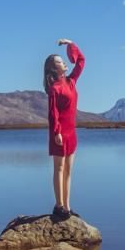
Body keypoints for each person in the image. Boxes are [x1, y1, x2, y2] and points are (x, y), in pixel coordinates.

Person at [44, 38, 85, 219]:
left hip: (72, 133)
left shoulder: (71, 82)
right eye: (60, 62)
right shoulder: (55, 88)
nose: (64, 63)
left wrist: (71, 44)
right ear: (54, 68)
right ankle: (59, 206)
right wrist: (56, 133)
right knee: (59, 169)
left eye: (62, 60)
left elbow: (81, 61)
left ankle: (67, 207)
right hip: (59, 133)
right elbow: (53, 114)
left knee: (69, 170)